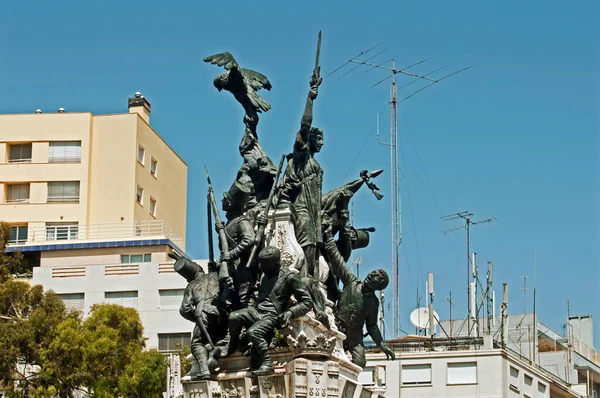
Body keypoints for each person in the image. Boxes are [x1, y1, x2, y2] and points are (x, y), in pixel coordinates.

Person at [217, 246, 313, 376]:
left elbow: (307, 302)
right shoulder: (265, 276)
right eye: (260, 263)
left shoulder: (289, 277)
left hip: (272, 316)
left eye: (264, 265)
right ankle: (232, 345)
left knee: (253, 332)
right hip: (257, 312)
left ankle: (267, 363)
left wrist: (290, 312)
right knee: (234, 316)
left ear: (276, 263)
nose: (261, 267)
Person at [322, 223, 395, 368]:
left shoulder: (373, 303)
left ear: (378, 286)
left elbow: (372, 326)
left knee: (360, 362)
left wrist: (382, 345)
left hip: (354, 337)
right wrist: (329, 235)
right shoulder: (351, 282)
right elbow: (337, 259)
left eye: (375, 278)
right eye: (372, 273)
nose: (371, 276)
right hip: (336, 326)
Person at [280, 79, 324, 278]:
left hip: (315, 211)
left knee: (314, 248)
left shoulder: (316, 165)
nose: (321, 143)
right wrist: (310, 99)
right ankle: (305, 280)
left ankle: (312, 282)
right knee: (306, 245)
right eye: (319, 139)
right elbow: (305, 125)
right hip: (302, 208)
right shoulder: (301, 156)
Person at [171, 252, 228, 380]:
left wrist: (197, 318)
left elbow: (184, 309)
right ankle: (214, 350)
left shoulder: (191, 286)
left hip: (204, 315)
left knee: (196, 343)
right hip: (222, 314)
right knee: (213, 338)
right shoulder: (215, 275)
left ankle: (204, 369)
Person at [217, 180, 256, 310]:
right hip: (230, 268)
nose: (222, 201)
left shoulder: (241, 221)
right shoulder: (228, 223)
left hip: (241, 267)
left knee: (245, 299)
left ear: (229, 203)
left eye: (224, 199)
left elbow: (249, 240)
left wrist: (231, 254)